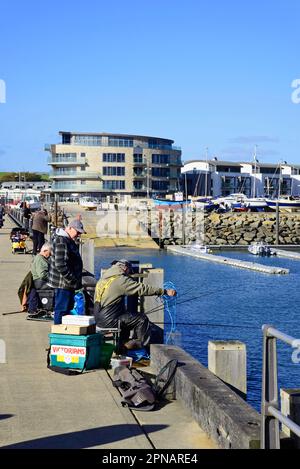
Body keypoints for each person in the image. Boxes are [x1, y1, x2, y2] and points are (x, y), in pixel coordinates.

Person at [94, 259, 176, 351]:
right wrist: (164, 291)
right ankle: (142, 348)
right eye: (129, 272)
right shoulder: (120, 280)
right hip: (110, 320)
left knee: (127, 318)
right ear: (124, 268)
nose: (129, 275)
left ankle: (122, 345)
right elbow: (142, 289)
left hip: (98, 319)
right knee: (142, 319)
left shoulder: (103, 279)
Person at [47, 219, 85, 325]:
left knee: (66, 309)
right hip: (63, 283)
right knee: (61, 309)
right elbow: (60, 264)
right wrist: (72, 280)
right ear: (69, 228)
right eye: (77, 232)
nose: (78, 235)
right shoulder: (61, 240)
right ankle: (59, 334)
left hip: (66, 283)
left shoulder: (66, 239)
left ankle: (64, 332)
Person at [27, 242, 52, 315]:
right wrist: (53, 278)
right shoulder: (40, 259)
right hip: (41, 282)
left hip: (38, 282)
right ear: (45, 251)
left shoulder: (39, 258)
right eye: (49, 253)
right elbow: (42, 275)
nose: (50, 255)